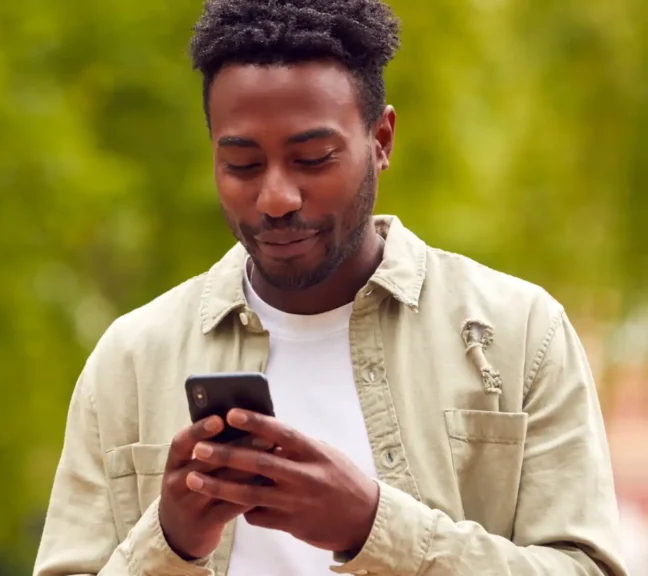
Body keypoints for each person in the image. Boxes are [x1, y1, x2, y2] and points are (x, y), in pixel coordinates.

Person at [33, 0, 629, 574]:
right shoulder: (131, 359)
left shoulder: (521, 333)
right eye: (241, 164)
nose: (275, 199)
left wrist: (372, 527)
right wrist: (170, 544)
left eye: (313, 158)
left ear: (382, 141)